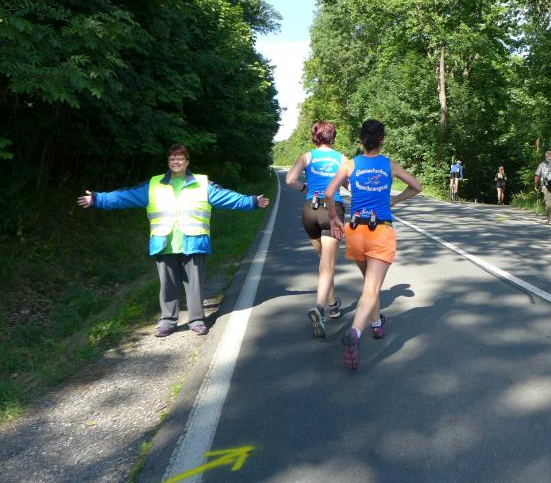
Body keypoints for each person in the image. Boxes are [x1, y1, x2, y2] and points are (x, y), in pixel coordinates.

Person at [76, 144, 270, 337]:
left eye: (180, 158)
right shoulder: (154, 184)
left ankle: (196, 320)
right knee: (167, 285)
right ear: (168, 162)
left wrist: (251, 201)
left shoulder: (202, 183)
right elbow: (125, 196)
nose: (176, 161)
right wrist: (98, 199)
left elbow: (227, 197)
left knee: (194, 285)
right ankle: (167, 321)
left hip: (194, 241)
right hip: (164, 242)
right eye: (172, 158)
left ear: (187, 162)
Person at [325, 119, 421, 371]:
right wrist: (394, 200)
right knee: (371, 287)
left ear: (361, 140)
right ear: (381, 140)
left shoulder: (351, 164)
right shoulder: (388, 164)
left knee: (370, 284)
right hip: (380, 231)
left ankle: (377, 324)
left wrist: (334, 218)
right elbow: (416, 187)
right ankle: (355, 332)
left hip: (355, 231)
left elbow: (329, 193)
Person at [285, 121, 347, 339]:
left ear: (315, 136)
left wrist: (306, 187)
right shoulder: (342, 159)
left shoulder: (307, 157)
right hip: (332, 210)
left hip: (309, 211)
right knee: (328, 265)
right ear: (332, 136)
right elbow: (349, 185)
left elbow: (289, 180)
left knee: (324, 264)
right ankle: (319, 308)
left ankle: (333, 305)